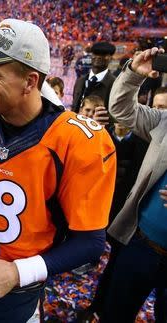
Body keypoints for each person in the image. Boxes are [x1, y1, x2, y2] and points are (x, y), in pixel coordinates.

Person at [0, 18, 116, 322]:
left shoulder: (79, 142)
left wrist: (18, 272)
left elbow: (91, 242)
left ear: (29, 81)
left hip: (17, 290)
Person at [100, 47, 167, 323]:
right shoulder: (164, 122)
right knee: (114, 314)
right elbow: (121, 111)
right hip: (141, 243)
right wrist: (132, 75)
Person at [72, 41, 116, 112]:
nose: (98, 57)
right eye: (96, 53)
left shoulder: (115, 84)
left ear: (111, 58)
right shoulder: (80, 80)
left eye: (104, 54)